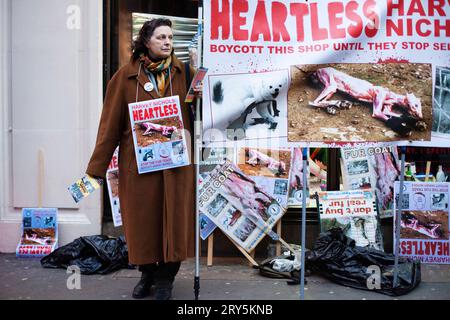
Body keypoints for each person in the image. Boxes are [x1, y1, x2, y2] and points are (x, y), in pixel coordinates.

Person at [86, 18, 199, 300]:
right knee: (143, 223)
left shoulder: (184, 72)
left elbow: (205, 108)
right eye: (161, 37)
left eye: (171, 37)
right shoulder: (124, 78)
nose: (167, 42)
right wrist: (95, 170)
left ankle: (165, 279)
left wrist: (200, 80)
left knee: (174, 221)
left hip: (175, 166)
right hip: (139, 167)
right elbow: (109, 128)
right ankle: (147, 272)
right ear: (146, 41)